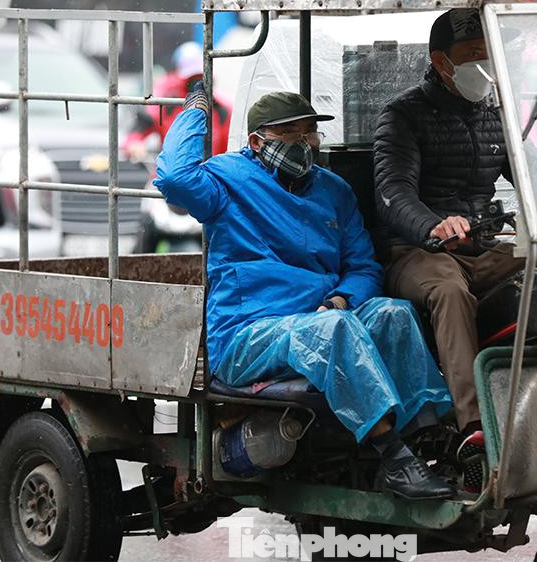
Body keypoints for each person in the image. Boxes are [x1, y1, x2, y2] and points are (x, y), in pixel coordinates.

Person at [155, 87, 455, 499]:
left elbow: (364, 267)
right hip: (249, 334)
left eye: (310, 132)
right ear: (257, 142)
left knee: (393, 313)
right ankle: (395, 459)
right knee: (330, 330)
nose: (304, 142)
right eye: (289, 133)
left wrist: (342, 299)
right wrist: (196, 110)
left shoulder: (333, 191)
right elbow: (173, 177)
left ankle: (426, 439)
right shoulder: (226, 179)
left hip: (324, 316)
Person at [372, 8, 524, 491]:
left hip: (483, 247)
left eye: (488, 55)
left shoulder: (494, 116)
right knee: (450, 292)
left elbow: (532, 177)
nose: (483, 65)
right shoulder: (403, 115)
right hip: (418, 253)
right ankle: (473, 431)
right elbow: (393, 193)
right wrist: (434, 225)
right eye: (471, 56)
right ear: (441, 62)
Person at [123, 41, 232, 161]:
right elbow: (139, 130)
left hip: (206, 176)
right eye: (192, 79)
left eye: (201, 77)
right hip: (170, 176)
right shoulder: (167, 106)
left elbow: (227, 153)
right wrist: (134, 145)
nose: (198, 85)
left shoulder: (221, 110)